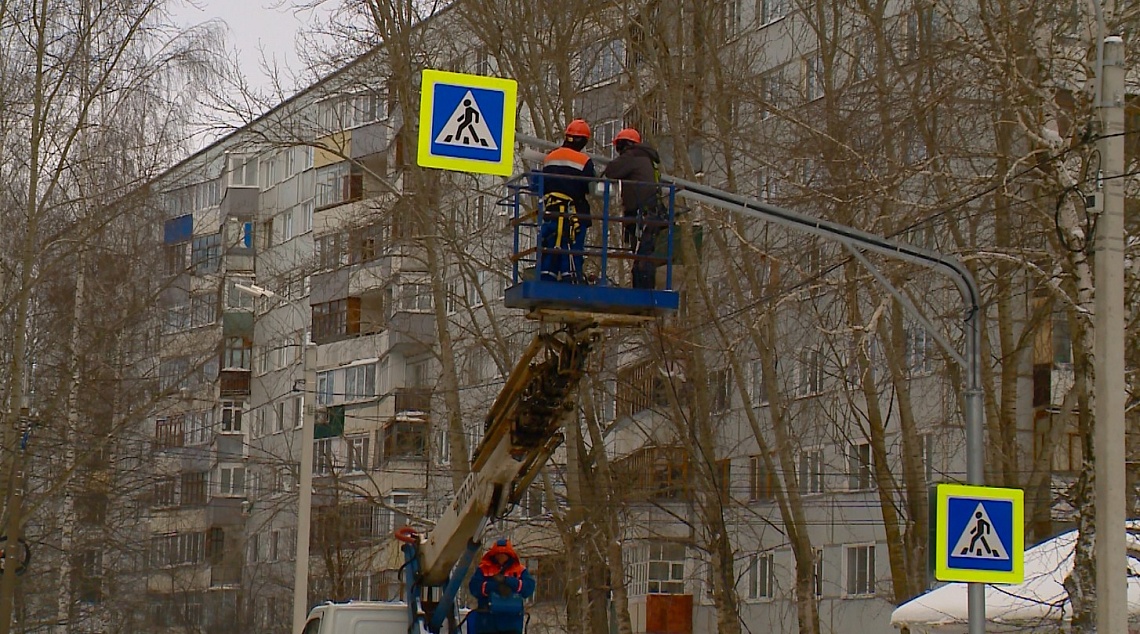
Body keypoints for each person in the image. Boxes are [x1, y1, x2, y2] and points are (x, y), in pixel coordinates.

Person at [601, 127, 665, 290]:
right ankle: (644, 290)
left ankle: (643, 293)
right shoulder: (649, 159)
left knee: (642, 257)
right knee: (644, 254)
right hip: (651, 213)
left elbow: (611, 171)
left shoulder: (633, 155)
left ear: (624, 144)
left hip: (642, 213)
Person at [538, 119, 596, 283]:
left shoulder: (550, 157)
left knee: (550, 250)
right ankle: (571, 280)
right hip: (574, 214)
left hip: (551, 213)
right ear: (583, 140)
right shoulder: (584, 161)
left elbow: (544, 185)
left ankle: (546, 279)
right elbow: (589, 187)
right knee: (572, 252)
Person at [467, 538, 535, 634]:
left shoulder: (520, 570)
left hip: (512, 624)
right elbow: (474, 587)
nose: (500, 557)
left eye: (503, 554)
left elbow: (528, 588)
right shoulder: (484, 568)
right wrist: (494, 587)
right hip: (487, 623)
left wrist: (509, 582)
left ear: (509, 555)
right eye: (498, 554)